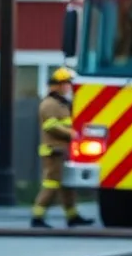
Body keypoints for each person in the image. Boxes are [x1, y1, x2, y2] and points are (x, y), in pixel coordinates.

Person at [32, 68, 94, 228]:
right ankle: (37, 217)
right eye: (65, 84)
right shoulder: (50, 104)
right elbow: (50, 125)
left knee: (67, 185)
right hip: (53, 151)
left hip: (64, 151)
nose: (68, 87)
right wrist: (71, 134)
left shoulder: (62, 104)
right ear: (56, 85)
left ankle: (72, 216)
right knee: (51, 184)